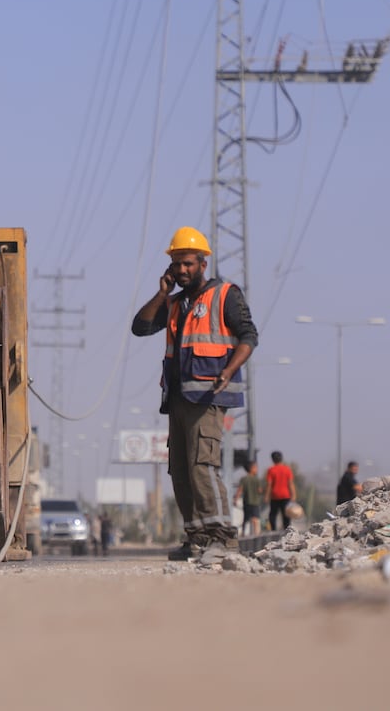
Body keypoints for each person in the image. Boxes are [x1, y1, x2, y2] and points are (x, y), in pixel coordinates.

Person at [132, 226, 258, 561]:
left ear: (203, 263)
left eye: (188, 263)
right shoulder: (174, 303)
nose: (182, 270)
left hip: (208, 397)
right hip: (177, 399)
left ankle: (222, 537)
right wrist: (162, 293)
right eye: (176, 265)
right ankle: (197, 537)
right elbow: (140, 327)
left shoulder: (225, 294)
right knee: (181, 470)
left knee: (203, 465)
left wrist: (229, 370)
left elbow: (249, 336)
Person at [265, 450, 297, 531]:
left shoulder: (271, 470)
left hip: (274, 496)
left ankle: (273, 531)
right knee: (286, 515)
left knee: (273, 515)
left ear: (272, 459)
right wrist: (293, 495)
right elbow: (290, 483)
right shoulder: (287, 469)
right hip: (285, 496)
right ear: (281, 458)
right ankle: (287, 531)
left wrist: (266, 496)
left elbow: (269, 484)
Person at [234, 461, 263, 536]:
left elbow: (240, 490)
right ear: (251, 468)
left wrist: (236, 499)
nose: (257, 469)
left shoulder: (244, 479)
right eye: (256, 467)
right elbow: (260, 490)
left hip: (247, 502)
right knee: (255, 519)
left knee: (246, 519)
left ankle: (243, 533)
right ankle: (256, 533)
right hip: (255, 502)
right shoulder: (256, 479)